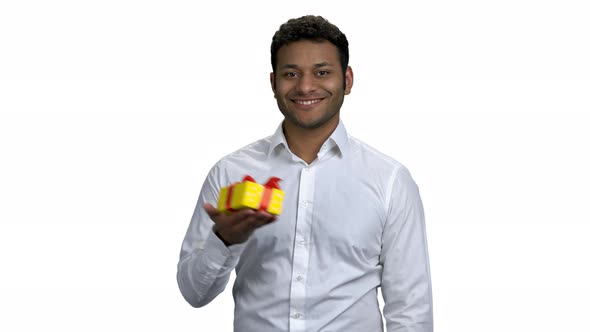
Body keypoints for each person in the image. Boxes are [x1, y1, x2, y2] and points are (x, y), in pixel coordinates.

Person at [177, 15, 433, 332]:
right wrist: (224, 241)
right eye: (291, 74)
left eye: (322, 72)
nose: (305, 86)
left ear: (347, 80)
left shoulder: (390, 179)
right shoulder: (232, 172)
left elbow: (411, 311)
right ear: (273, 83)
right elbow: (193, 293)